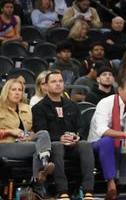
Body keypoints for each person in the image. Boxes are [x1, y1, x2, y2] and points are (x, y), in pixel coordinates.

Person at [31, 71, 96, 200]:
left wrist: (78, 137)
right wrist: (59, 138)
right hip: (54, 145)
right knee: (57, 145)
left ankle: (88, 189)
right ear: (46, 86)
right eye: (53, 82)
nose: (58, 84)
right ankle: (62, 190)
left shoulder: (72, 105)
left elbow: (82, 127)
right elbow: (40, 131)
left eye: (60, 81)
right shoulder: (39, 108)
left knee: (85, 145)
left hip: (73, 145)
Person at [87, 77, 126, 200]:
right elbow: (102, 131)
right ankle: (111, 187)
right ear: (120, 90)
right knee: (107, 141)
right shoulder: (105, 103)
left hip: (124, 142)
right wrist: (125, 135)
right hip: (98, 142)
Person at [0, 78, 55, 200]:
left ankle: (42, 165)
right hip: (5, 145)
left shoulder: (27, 108)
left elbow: (31, 131)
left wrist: (29, 137)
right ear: (6, 91)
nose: (17, 92)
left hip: (24, 144)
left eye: (20, 90)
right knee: (38, 148)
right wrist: (9, 131)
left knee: (43, 134)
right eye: (13, 89)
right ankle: (40, 178)